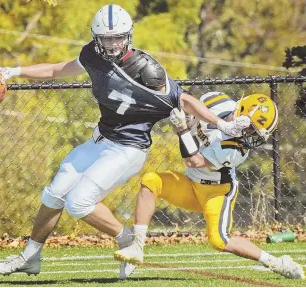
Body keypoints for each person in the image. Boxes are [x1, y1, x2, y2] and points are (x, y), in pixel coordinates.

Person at [0, 5, 250, 279]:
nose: (112, 44)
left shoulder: (147, 70)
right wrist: (12, 71)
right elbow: (55, 70)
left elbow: (184, 100)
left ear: (128, 35)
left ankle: (127, 240)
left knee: (78, 203)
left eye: (117, 38)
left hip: (128, 148)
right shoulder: (92, 54)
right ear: (96, 37)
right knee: (55, 193)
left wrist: (222, 124)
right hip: (100, 139)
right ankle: (30, 256)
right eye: (106, 38)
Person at [114, 92, 305, 280]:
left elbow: (194, 161)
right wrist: (183, 116)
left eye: (255, 133)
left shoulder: (236, 149)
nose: (251, 136)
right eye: (250, 129)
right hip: (191, 184)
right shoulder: (216, 101)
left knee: (219, 241)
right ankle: (136, 246)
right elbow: (186, 102)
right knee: (150, 181)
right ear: (239, 112)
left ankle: (276, 262)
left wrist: (182, 130)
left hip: (217, 192)